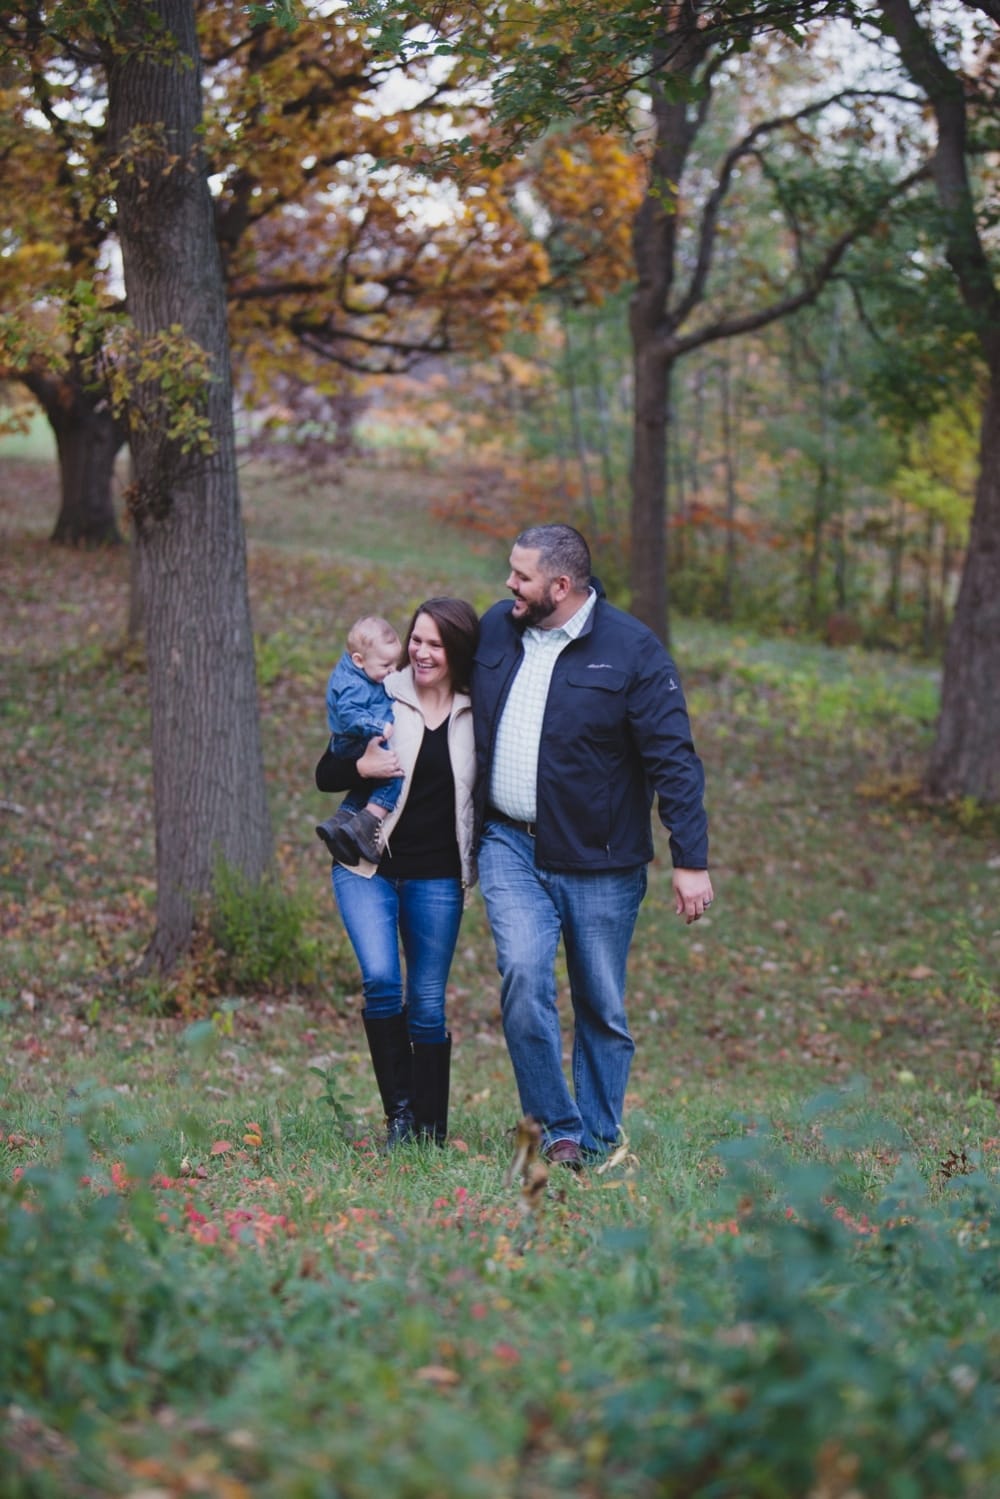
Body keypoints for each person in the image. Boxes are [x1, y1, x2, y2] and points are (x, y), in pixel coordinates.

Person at [472, 524, 713, 1170]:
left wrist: (690, 859)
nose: (508, 585)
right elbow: (435, 675)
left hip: (602, 860)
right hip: (509, 844)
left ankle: (603, 1136)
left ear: (562, 584)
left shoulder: (632, 651)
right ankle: (559, 1129)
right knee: (524, 975)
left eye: (521, 576)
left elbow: (675, 760)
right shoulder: (498, 629)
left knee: (601, 1002)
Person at [315, 597, 479, 1149]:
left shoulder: (479, 711)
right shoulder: (385, 689)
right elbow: (326, 769)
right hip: (368, 866)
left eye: (436, 643)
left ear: (457, 649)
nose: (422, 652)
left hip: (438, 876)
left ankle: (430, 1130)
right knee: (383, 981)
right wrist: (359, 766)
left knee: (428, 1004)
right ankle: (401, 1119)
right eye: (417, 639)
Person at [316, 615, 404, 866]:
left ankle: (340, 822)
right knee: (391, 770)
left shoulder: (363, 672)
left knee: (368, 783)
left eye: (395, 663)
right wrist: (378, 726)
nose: (392, 670)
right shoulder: (353, 686)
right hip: (353, 740)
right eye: (386, 665)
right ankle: (368, 823)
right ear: (359, 660)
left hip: (353, 738)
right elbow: (349, 714)